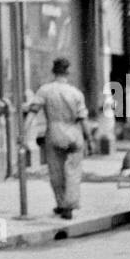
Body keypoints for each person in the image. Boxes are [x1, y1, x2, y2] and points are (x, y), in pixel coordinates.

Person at [26, 58, 90, 220]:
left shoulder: (45, 90)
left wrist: (23, 133)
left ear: (53, 72)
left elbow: (32, 113)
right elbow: (83, 118)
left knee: (56, 171)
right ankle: (70, 205)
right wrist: (89, 138)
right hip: (74, 133)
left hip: (54, 132)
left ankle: (61, 204)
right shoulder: (76, 93)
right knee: (74, 171)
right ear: (67, 72)